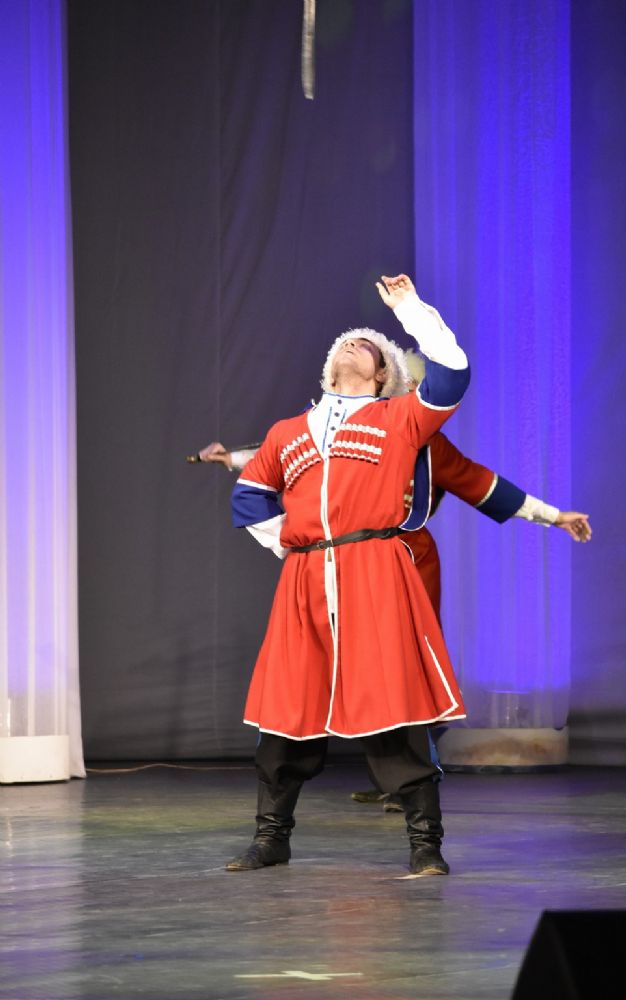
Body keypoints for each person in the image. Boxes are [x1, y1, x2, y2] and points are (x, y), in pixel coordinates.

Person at [225, 273, 471, 878]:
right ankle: (271, 838)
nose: (353, 344)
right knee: (288, 705)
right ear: (329, 368)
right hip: (307, 579)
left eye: (367, 346)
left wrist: (409, 308)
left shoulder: (400, 417)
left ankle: (425, 844)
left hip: (375, 571)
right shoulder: (287, 432)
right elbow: (250, 495)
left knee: (393, 701)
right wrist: (297, 545)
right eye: (346, 343)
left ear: (383, 374)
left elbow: (451, 373)